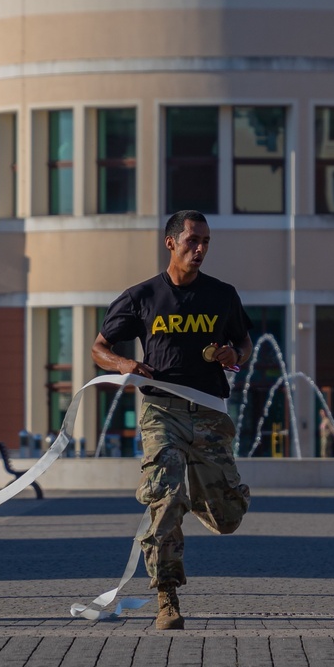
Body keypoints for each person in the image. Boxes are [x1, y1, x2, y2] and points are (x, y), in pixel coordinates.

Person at [91, 210, 253, 630]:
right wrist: (124, 362)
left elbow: (245, 343)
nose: (199, 249)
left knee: (228, 517)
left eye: (205, 242)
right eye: (192, 241)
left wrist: (235, 356)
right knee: (163, 497)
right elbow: (99, 348)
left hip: (210, 412)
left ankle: (199, 495)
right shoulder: (141, 296)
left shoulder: (222, 295)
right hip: (161, 409)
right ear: (171, 243)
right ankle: (167, 596)